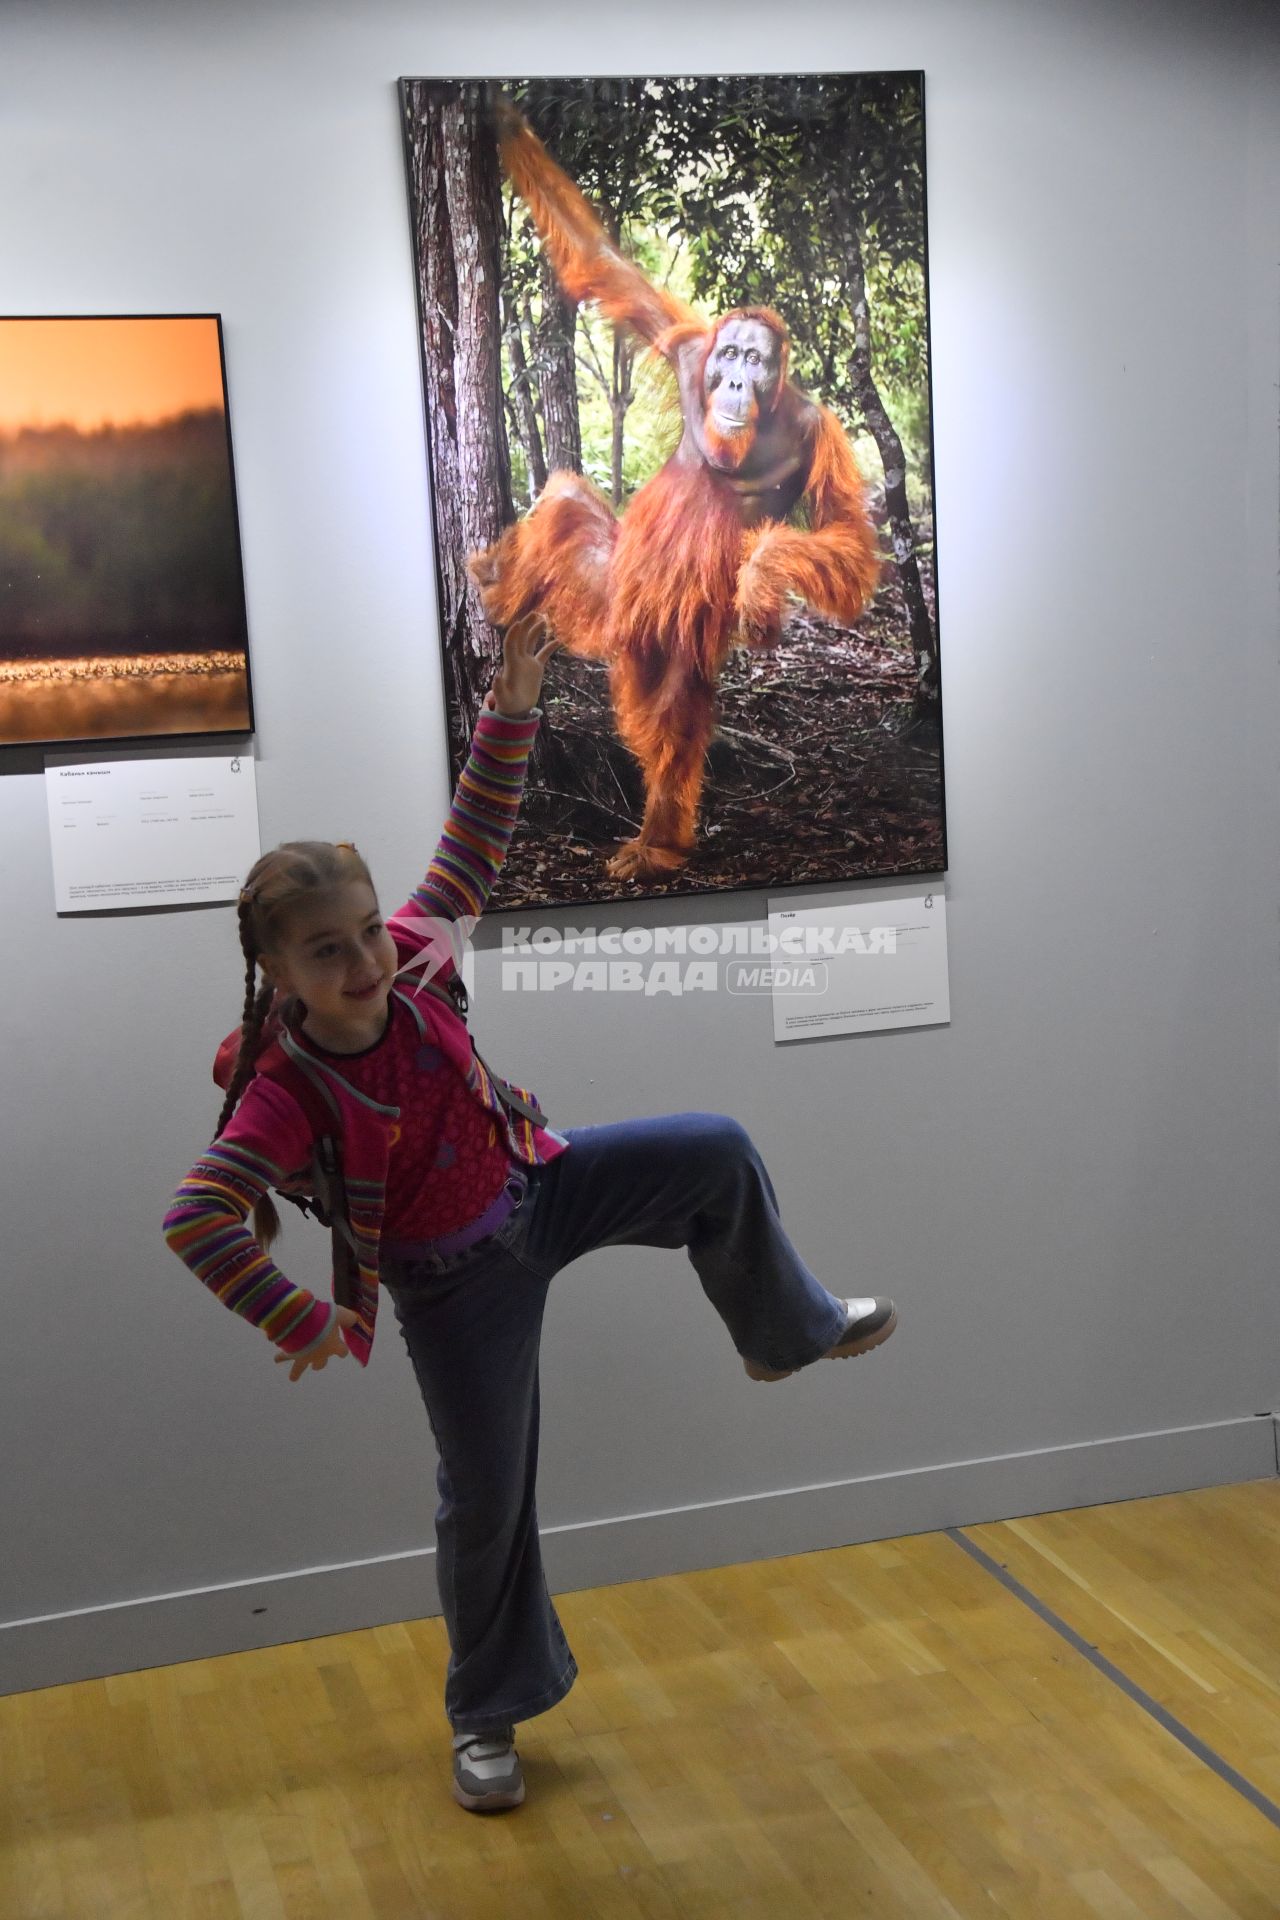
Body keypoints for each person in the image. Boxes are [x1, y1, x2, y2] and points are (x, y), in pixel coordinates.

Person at [163, 619, 898, 1814]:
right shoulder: (286, 1089)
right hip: (456, 1285)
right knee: (488, 1499)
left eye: (363, 935)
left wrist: (511, 696)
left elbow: (476, 837)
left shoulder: (416, 955)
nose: (361, 964)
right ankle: (486, 1717)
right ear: (278, 972)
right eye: (325, 953)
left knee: (713, 1149)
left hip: (538, 1188)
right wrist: (296, 1318)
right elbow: (197, 1216)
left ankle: (782, 1330)